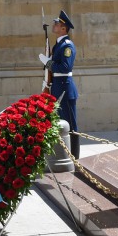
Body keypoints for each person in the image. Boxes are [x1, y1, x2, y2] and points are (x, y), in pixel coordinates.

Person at [48, 10, 80, 158]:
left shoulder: (67, 45)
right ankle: (63, 154)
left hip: (65, 89)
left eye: (57, 24)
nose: (54, 25)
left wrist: (50, 64)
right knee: (59, 123)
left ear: (63, 28)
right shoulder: (57, 45)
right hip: (57, 86)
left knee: (71, 125)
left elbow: (66, 67)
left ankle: (75, 157)